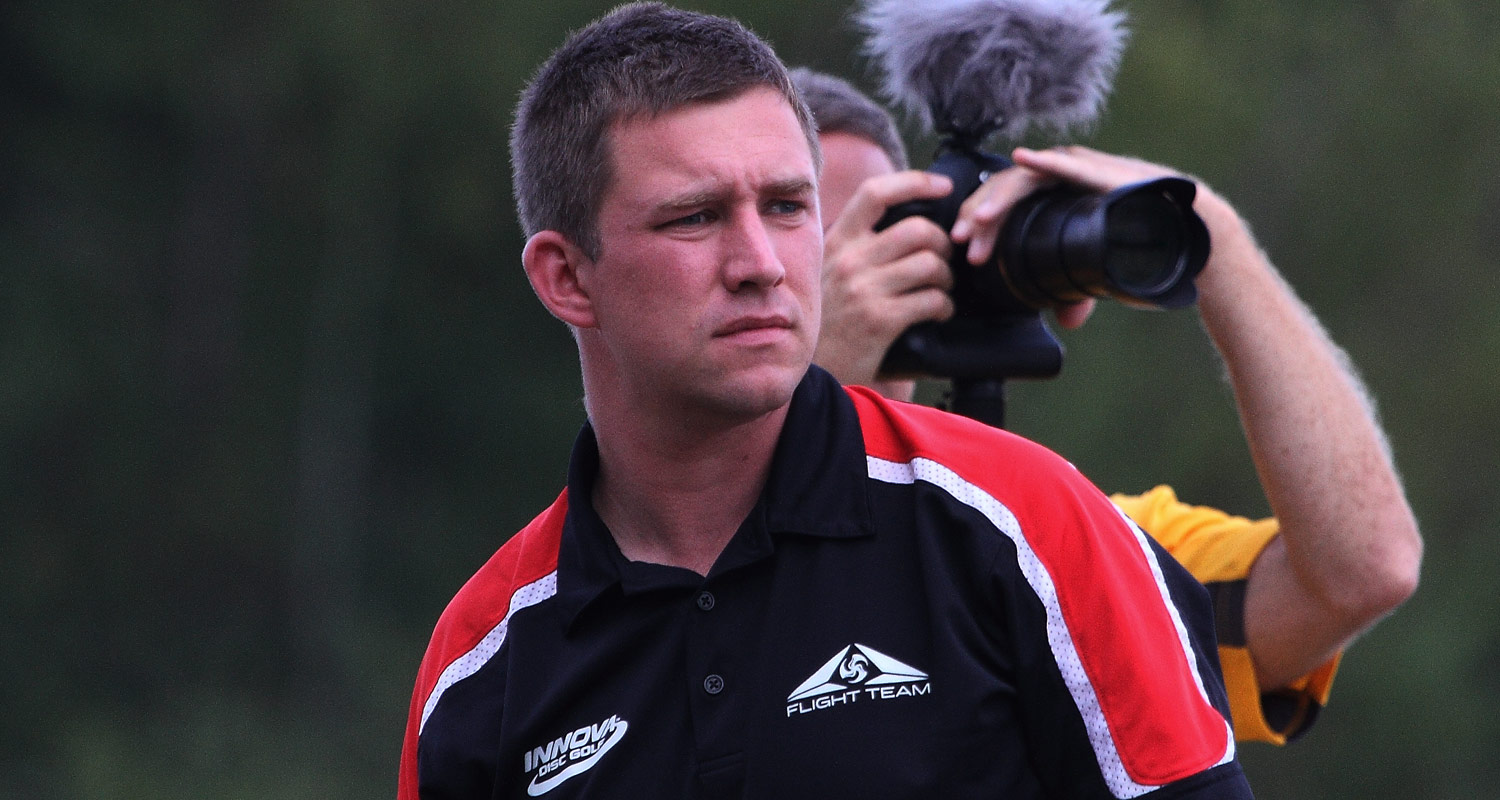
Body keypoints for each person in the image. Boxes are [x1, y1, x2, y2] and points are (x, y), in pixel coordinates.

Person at [399, 4, 1256, 798]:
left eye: (785, 206)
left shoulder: (1029, 522)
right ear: (566, 277)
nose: (760, 263)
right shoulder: (478, 662)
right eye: (694, 218)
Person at [794, 68, 1423, 744]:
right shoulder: (706, 556)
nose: (856, 284)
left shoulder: (1069, 556)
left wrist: (1212, 237)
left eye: (883, 240)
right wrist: (813, 385)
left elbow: (1360, 572)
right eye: (816, 253)